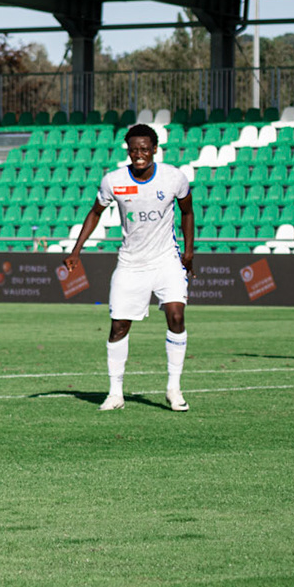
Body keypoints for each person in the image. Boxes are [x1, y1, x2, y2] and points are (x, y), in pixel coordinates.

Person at [67, 123, 193, 412]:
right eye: (134, 149)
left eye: (145, 149)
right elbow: (95, 212)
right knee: (119, 326)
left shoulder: (174, 177)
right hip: (130, 263)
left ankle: (174, 388)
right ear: (128, 150)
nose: (139, 154)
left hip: (166, 260)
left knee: (176, 315)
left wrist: (188, 252)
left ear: (154, 150)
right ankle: (115, 393)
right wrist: (76, 250)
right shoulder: (114, 180)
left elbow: (187, 212)